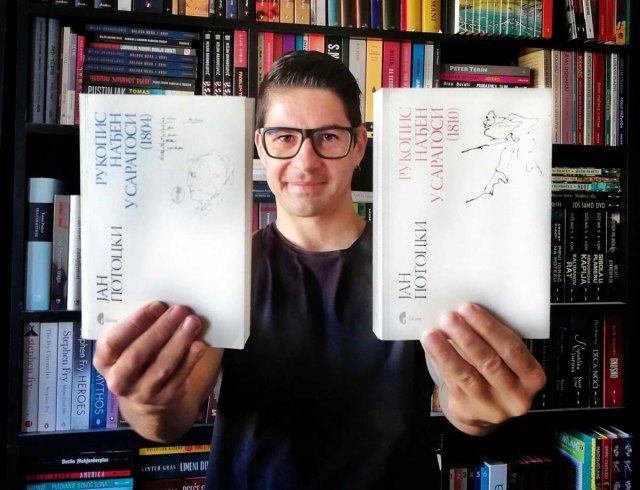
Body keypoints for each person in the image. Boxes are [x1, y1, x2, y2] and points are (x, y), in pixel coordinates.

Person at [93, 50, 546, 489]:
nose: (305, 161)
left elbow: (458, 396)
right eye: (284, 137)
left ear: (359, 145)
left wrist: (477, 412)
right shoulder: (222, 266)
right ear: (261, 146)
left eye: (328, 136)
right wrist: (147, 405)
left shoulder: (421, 260)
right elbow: (171, 417)